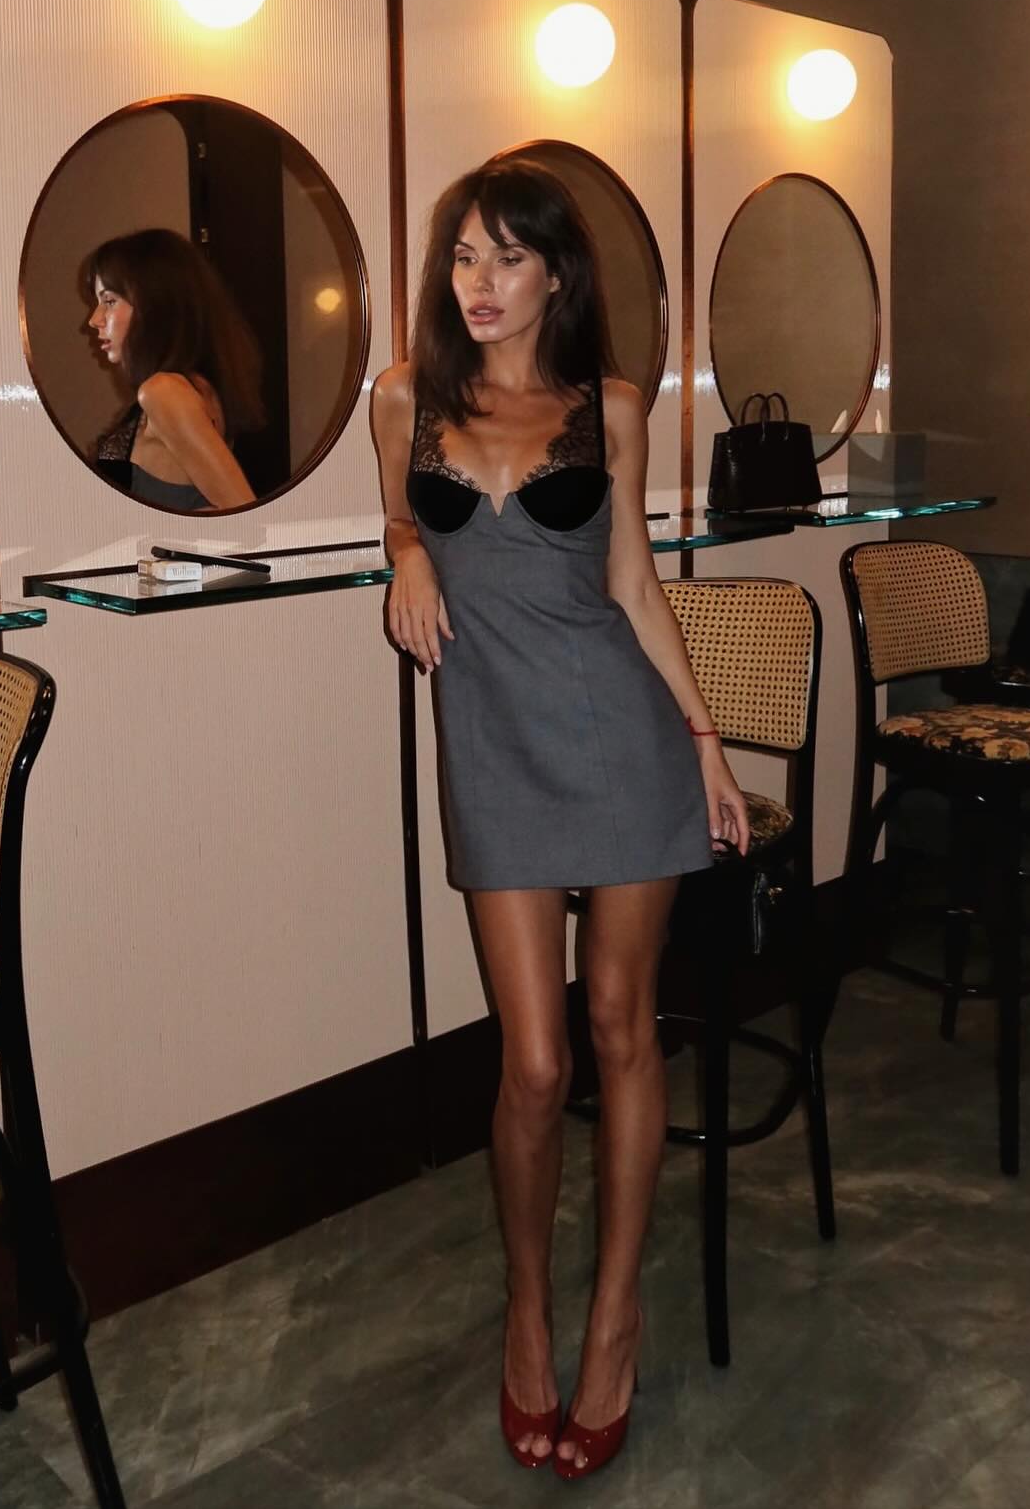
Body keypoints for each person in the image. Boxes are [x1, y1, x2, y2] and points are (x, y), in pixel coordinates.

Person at [370, 158, 749, 1481]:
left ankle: (614, 1315)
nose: (480, 283)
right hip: (492, 749)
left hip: (621, 744)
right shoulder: (404, 399)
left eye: (508, 258)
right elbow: (399, 520)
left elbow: (635, 585)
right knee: (533, 1065)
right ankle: (527, 1307)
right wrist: (408, 556)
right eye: (463, 256)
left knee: (620, 1029)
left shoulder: (613, 409)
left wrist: (704, 742)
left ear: (556, 275)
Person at [84, 228, 263, 511]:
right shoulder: (192, 386)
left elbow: (242, 513)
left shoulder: (164, 391)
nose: (95, 319)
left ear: (154, 304)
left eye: (109, 301)